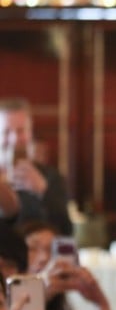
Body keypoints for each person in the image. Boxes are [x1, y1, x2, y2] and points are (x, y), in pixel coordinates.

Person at [0, 98, 72, 235]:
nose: (14, 139)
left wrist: (44, 191)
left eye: (21, 131)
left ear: (30, 132)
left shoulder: (51, 177)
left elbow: (66, 231)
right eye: (6, 132)